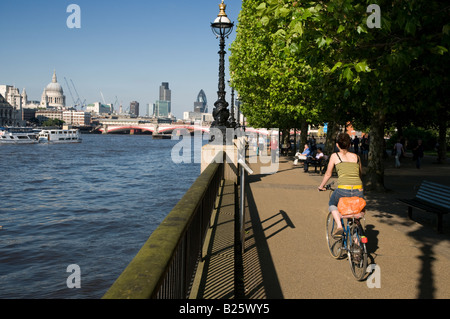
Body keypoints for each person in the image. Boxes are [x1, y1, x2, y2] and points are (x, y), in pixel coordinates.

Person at [318, 133, 364, 238]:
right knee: (355, 212)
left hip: (343, 189)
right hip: (358, 189)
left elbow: (328, 174)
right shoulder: (356, 157)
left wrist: (321, 186)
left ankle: (339, 226)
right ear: (350, 145)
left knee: (332, 203)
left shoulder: (335, 156)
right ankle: (357, 244)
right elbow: (360, 174)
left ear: (337, 145)